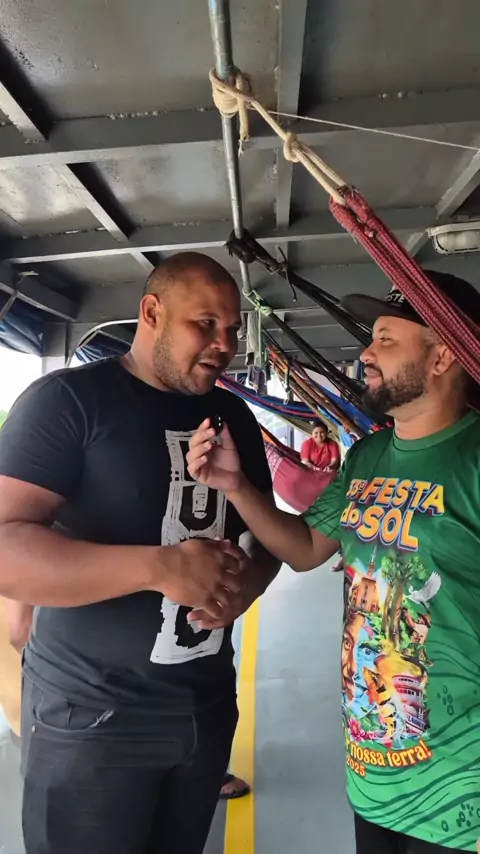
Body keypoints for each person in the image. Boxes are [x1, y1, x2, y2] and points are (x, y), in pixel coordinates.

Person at [187, 270, 480, 854]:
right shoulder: (367, 456)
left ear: (444, 355)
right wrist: (236, 486)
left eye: (386, 340)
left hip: (462, 784)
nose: (366, 353)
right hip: (375, 770)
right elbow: (304, 549)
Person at [0, 252, 280, 854]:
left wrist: (247, 585)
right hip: (90, 716)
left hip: (204, 707)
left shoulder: (233, 414)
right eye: (205, 324)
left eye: (232, 329)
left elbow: (266, 534)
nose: (224, 344)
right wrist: (159, 567)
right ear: (152, 313)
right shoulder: (68, 402)